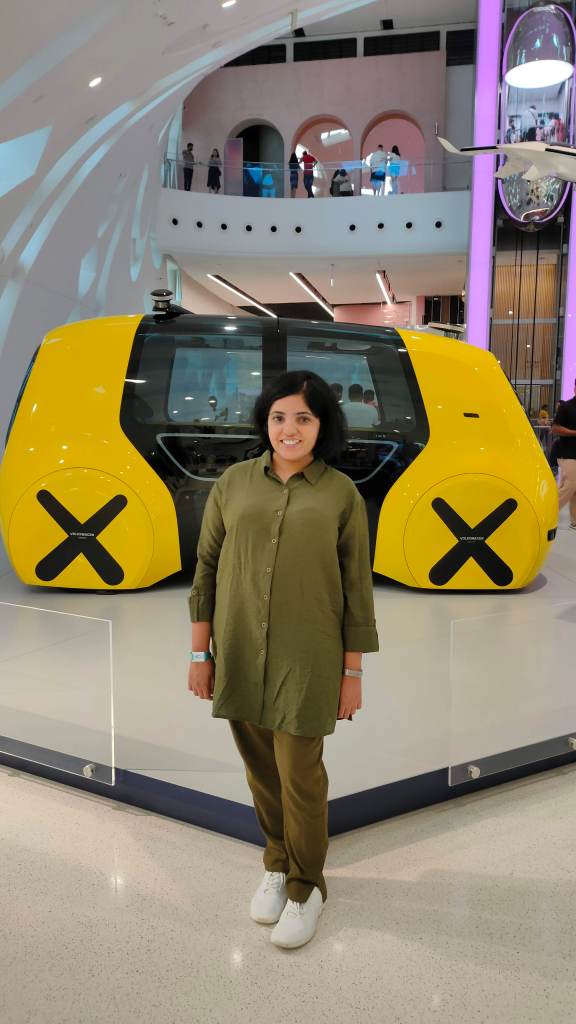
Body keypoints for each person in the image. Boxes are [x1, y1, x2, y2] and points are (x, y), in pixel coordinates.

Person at [187, 370, 378, 950]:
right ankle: (276, 861)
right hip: (240, 649)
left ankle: (306, 885)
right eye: (278, 417)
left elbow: (357, 590)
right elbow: (206, 570)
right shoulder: (233, 483)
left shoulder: (340, 494)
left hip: (310, 654)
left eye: (303, 418)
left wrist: (352, 673)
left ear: (322, 425)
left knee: (300, 773)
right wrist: (199, 653)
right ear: (264, 422)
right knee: (260, 770)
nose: (289, 429)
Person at [551, 379, 576, 529]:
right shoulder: (566, 407)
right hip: (567, 453)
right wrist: (574, 433)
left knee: (574, 487)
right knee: (571, 484)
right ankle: (548, 511)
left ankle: (575, 520)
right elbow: (555, 428)